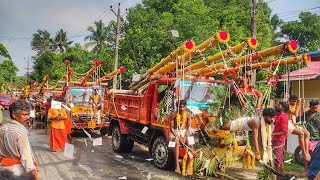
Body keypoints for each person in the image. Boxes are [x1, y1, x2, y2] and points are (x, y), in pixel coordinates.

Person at [0, 100, 38, 179]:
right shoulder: (21, 132)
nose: (28, 117)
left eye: (28, 114)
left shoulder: (3, 128)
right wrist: (33, 173)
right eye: (24, 115)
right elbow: (26, 156)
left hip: (3, 169)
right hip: (18, 172)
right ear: (14, 115)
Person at [287, 94, 311, 175]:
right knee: (301, 133)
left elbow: (300, 113)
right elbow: (296, 114)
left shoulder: (295, 105)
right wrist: (299, 104)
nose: (294, 103)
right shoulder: (287, 106)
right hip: (288, 124)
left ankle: (306, 150)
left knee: (307, 133)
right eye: (292, 101)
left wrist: (302, 105)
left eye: (295, 101)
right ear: (289, 100)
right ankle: (304, 151)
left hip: (294, 124)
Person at [297, 100, 320, 176]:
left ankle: (315, 173)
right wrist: (302, 106)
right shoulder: (305, 114)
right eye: (313, 108)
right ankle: (307, 171)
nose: (315, 109)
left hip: (317, 138)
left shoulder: (319, 116)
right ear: (310, 107)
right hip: (307, 139)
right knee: (306, 155)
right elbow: (297, 119)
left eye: (316, 108)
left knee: (315, 157)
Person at [170, 99, 192, 174]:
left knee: (191, 144)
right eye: (180, 106)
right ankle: (177, 166)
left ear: (185, 107)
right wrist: (179, 137)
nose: (182, 108)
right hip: (176, 132)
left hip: (185, 132)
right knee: (176, 142)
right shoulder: (174, 114)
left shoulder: (188, 114)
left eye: (183, 106)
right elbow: (172, 128)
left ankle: (188, 167)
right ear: (177, 107)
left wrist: (185, 136)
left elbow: (189, 128)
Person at [272, 101, 289, 176]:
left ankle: (279, 177)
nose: (277, 105)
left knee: (278, 161)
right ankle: (280, 177)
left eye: (279, 105)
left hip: (279, 141)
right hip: (276, 140)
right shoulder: (279, 115)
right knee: (279, 160)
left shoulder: (284, 117)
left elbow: (285, 132)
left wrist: (272, 134)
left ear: (283, 108)